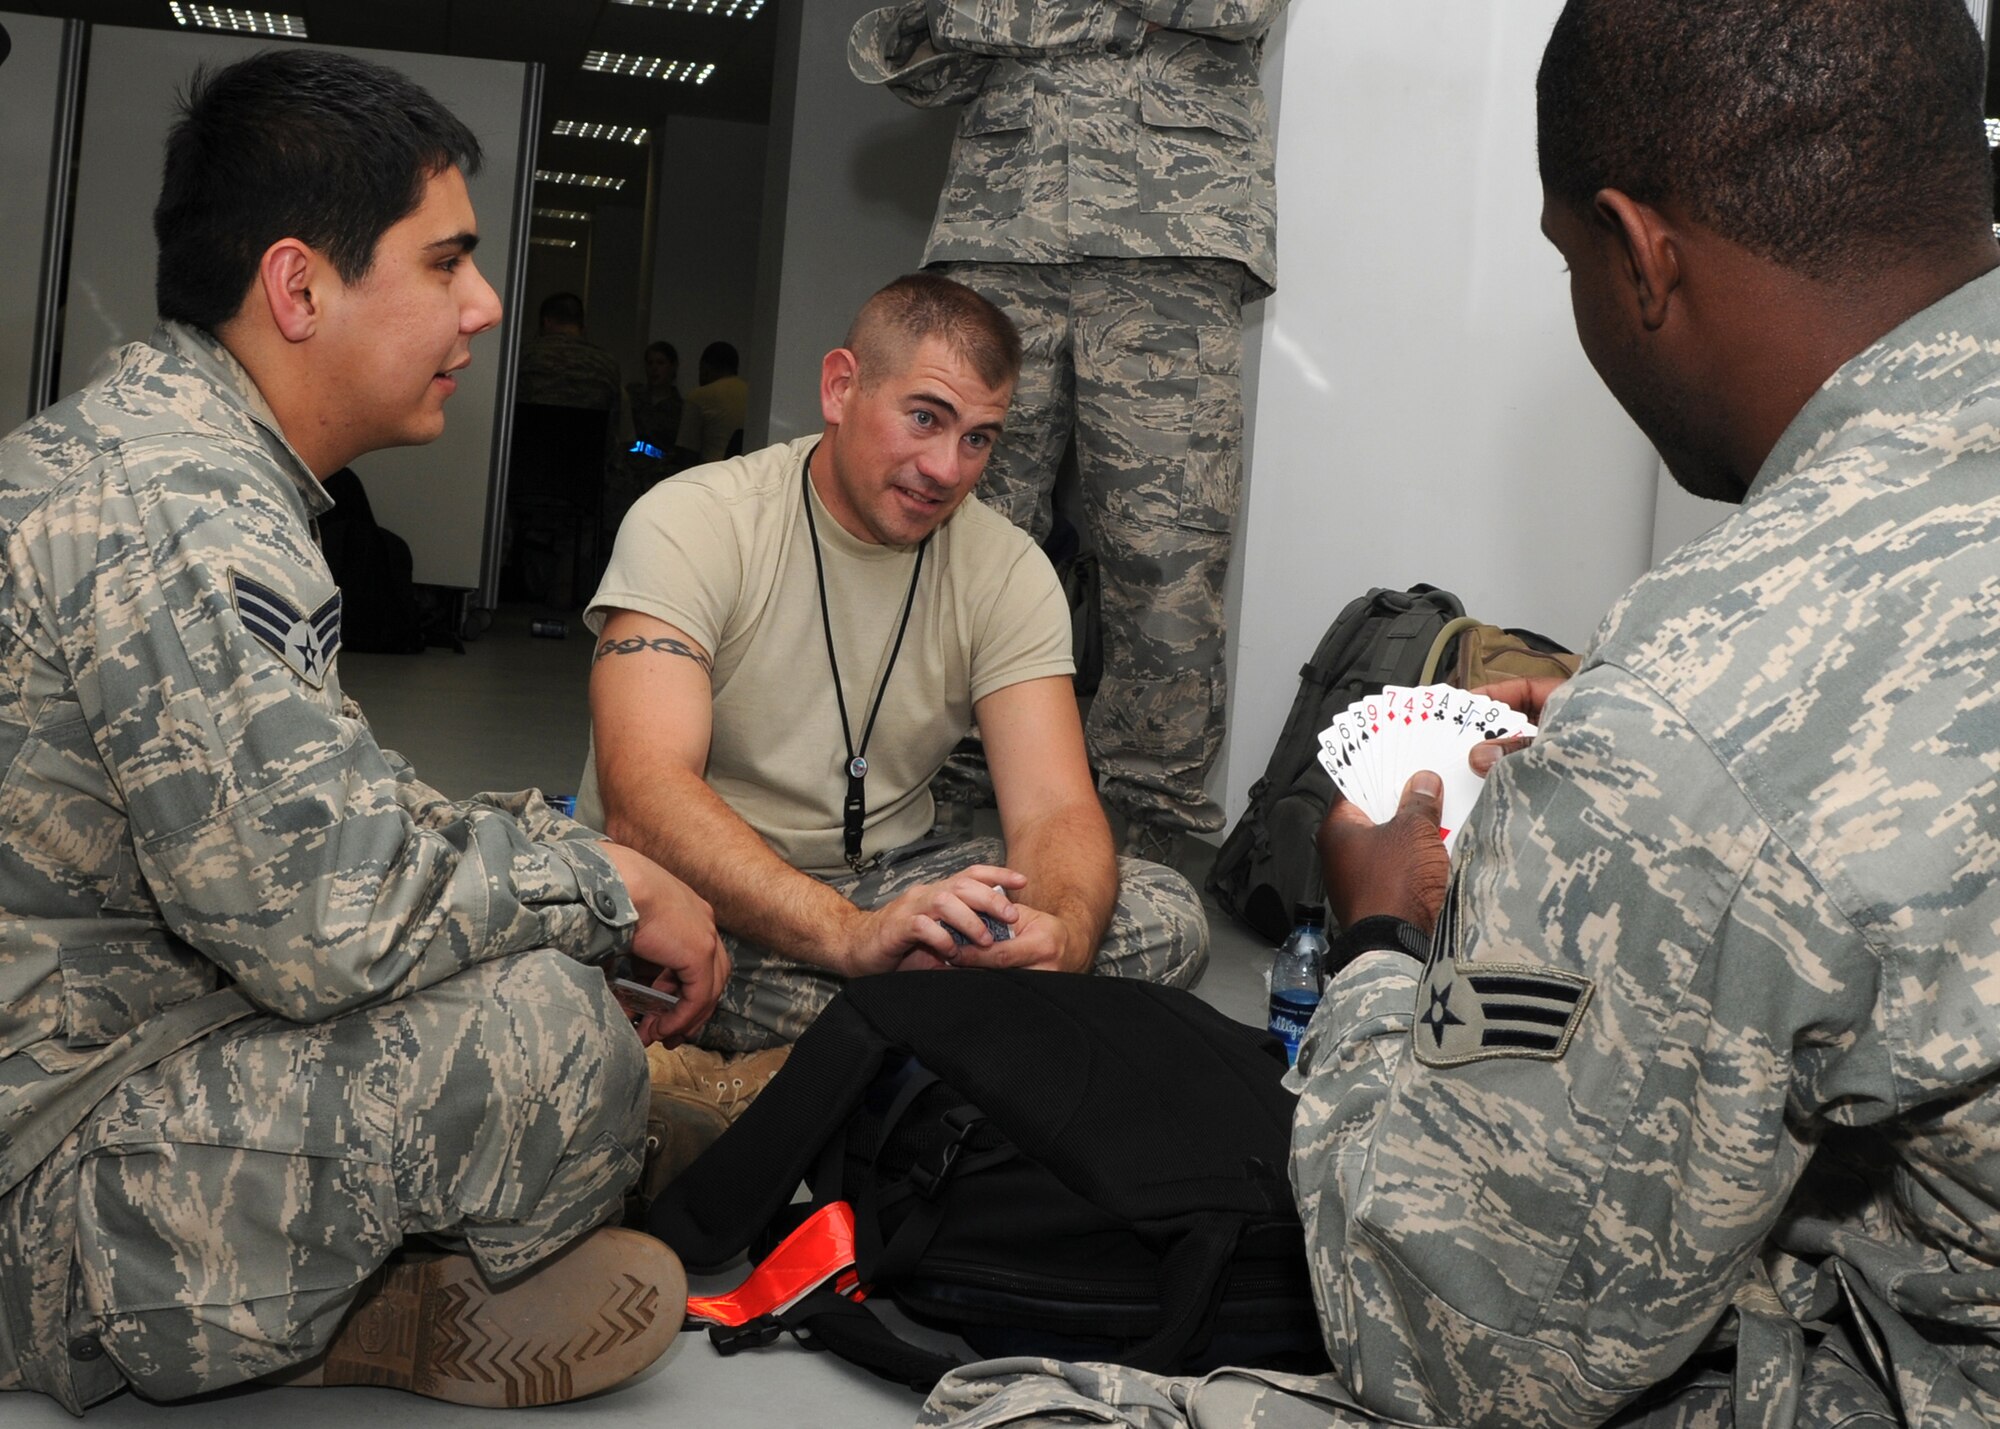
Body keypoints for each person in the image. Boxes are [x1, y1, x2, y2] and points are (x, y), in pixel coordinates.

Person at [919, 0, 2000, 1425]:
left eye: (1568, 259)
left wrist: (1378, 939)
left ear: (1638, 252)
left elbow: (1446, 1349)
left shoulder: (1715, 695)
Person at [0, 48, 729, 1415]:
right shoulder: (186, 513)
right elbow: (321, 920)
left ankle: (421, 1256)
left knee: (542, 957)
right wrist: (602, 882)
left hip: (122, 1043)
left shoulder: (183, 456)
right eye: (446, 260)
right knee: (553, 1036)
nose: (487, 303)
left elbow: (339, 812)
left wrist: (555, 858)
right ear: (299, 287)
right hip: (37, 1180)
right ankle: (375, 1298)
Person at [581, 273, 1209, 1057]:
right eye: (925, 418)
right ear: (841, 386)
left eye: (978, 437)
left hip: (887, 884)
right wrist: (852, 936)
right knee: (638, 961)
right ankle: (957, 1036)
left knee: (1164, 910)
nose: (948, 468)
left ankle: (902, 1032)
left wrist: (1057, 939)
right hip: (701, 894)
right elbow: (642, 797)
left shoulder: (1006, 569)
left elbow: (1054, 809)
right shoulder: (695, 520)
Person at [848, 0, 1284, 863]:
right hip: (1001, 224)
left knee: (1166, 554)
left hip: (1172, 225)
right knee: (955, 531)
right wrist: (1110, 25)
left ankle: (1150, 851)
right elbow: (896, 43)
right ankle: (930, 807)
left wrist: (1011, 20)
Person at [515, 290, 620, 414]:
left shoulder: (524, 356)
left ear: (546, 321)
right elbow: (615, 423)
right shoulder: (606, 364)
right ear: (581, 324)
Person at [671, 339, 749, 469]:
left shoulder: (700, 396)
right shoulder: (751, 394)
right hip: (744, 473)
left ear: (705, 368)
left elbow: (687, 452)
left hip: (711, 472)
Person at [628, 339, 683, 456]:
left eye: (660, 363)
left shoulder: (681, 408)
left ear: (673, 366)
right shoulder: (633, 395)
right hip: (627, 466)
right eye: (650, 363)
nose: (654, 368)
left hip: (660, 470)